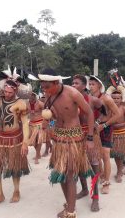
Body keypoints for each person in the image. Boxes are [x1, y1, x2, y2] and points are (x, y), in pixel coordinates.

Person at [38, 68, 94, 218]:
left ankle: (71, 211)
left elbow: (89, 113)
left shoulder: (73, 93)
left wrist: (90, 138)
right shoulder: (49, 95)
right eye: (42, 87)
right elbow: (48, 113)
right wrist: (48, 123)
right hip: (58, 138)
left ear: (56, 82)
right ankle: (70, 203)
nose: (44, 90)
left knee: (70, 175)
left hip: (74, 138)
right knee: (61, 173)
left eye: (47, 86)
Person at [0, 79, 30, 208]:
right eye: (5, 91)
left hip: (15, 138)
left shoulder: (20, 103)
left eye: (10, 92)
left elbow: (25, 124)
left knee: (15, 167)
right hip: (0, 137)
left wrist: (25, 143)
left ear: (15, 91)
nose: (7, 94)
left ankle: (16, 191)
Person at [72, 75, 102, 212]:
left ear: (84, 86)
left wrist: (98, 122)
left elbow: (104, 112)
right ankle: (84, 189)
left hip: (90, 137)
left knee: (94, 166)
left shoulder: (93, 100)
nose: (73, 85)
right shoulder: (70, 100)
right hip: (75, 136)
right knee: (78, 165)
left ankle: (95, 197)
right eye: (72, 83)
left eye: (76, 83)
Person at [89, 75, 120, 194]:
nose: (91, 86)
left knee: (105, 155)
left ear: (99, 86)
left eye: (93, 84)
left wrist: (104, 125)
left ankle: (106, 182)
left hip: (105, 127)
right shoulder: (90, 98)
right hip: (95, 128)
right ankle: (101, 176)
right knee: (96, 155)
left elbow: (117, 115)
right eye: (90, 84)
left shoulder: (106, 98)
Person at [109, 87, 125, 183]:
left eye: (118, 98)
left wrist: (120, 125)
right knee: (115, 154)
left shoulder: (124, 108)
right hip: (112, 134)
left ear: (121, 98)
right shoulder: (109, 108)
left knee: (120, 154)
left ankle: (119, 172)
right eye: (114, 98)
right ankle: (119, 171)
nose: (116, 100)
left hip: (122, 134)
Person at [27, 92, 45, 164]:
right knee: (32, 141)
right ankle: (38, 154)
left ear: (35, 96)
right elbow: (24, 112)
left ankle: (37, 155)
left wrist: (46, 123)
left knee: (39, 140)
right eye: (30, 96)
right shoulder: (26, 104)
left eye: (32, 96)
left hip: (39, 123)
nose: (31, 97)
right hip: (31, 124)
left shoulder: (40, 104)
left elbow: (47, 112)